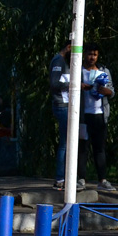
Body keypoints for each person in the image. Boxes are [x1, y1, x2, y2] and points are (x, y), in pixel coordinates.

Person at [80, 42, 116, 192]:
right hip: (82, 116)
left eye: (94, 54)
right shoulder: (78, 70)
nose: (92, 57)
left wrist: (104, 90)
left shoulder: (104, 71)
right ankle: (81, 179)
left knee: (99, 148)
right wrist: (81, 86)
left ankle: (102, 180)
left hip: (100, 115)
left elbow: (112, 91)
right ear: (84, 54)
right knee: (82, 148)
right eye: (89, 54)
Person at [49, 39, 72, 190]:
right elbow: (55, 83)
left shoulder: (65, 61)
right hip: (62, 106)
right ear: (69, 47)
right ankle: (60, 178)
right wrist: (74, 84)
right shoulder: (59, 61)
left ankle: (67, 176)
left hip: (68, 106)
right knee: (64, 143)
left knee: (69, 142)